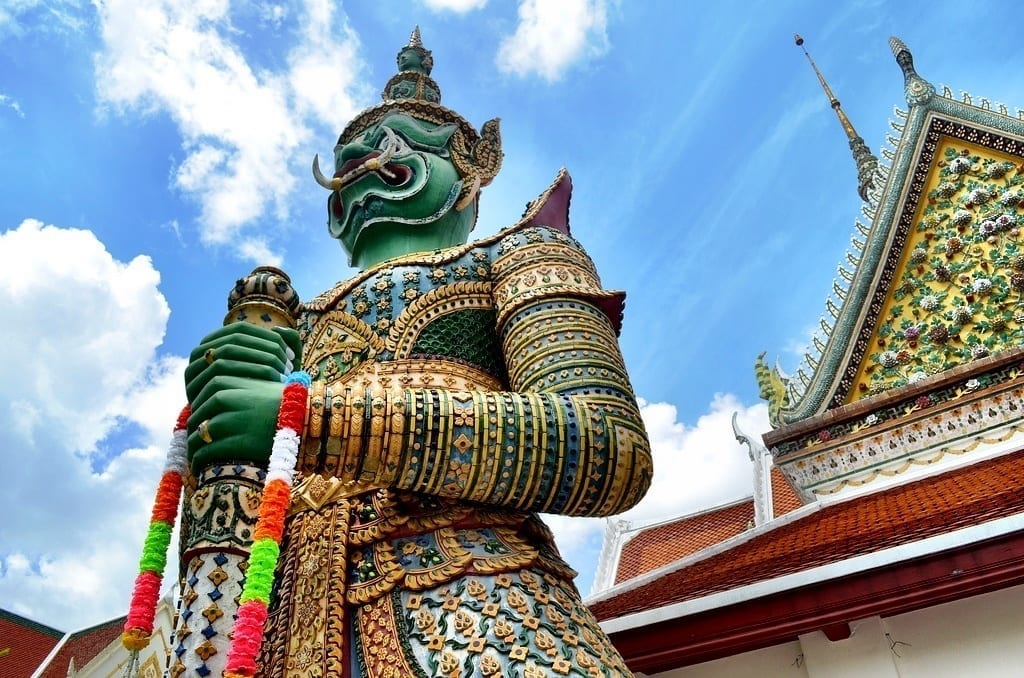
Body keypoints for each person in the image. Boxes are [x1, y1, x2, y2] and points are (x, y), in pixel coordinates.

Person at [180, 28, 652, 677]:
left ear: (470, 171)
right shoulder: (293, 326)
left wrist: (310, 421)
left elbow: (603, 446)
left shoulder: (520, 254)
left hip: (477, 601)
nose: (364, 168)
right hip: (283, 629)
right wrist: (220, 443)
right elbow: (230, 533)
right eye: (348, 162)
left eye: (394, 149)